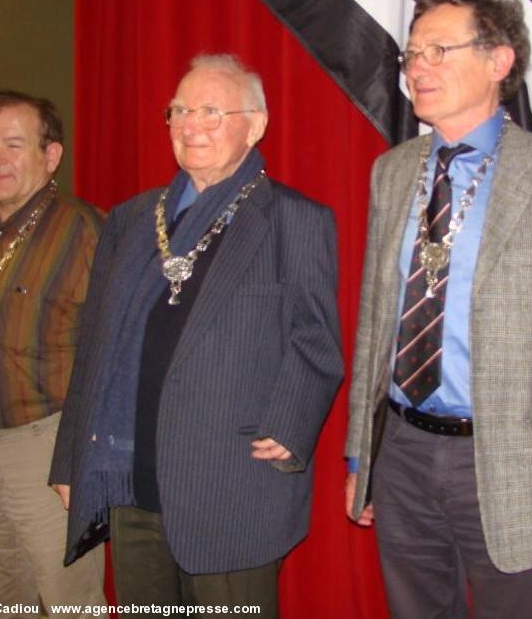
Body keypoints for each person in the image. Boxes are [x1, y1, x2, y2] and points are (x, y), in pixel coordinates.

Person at [345, 0, 532, 619]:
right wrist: (364, 451)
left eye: (440, 50)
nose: (419, 68)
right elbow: (375, 322)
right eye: (413, 54)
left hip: (510, 461)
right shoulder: (392, 171)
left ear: (500, 62)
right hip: (403, 452)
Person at [50, 54, 343, 616]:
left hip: (231, 484)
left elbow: (316, 341)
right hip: (132, 482)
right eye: (179, 111)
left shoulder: (293, 220)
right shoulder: (132, 220)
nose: (190, 125)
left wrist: (290, 421)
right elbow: (94, 349)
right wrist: (71, 460)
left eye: (211, 110)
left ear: (255, 124)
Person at [0, 90, 106, 616]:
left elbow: (109, 360)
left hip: (46, 453)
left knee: (70, 604)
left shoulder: (86, 232)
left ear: (50, 156)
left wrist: (81, 458)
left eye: (14, 144)